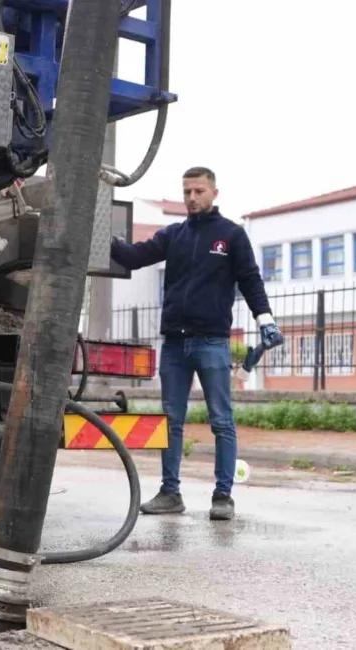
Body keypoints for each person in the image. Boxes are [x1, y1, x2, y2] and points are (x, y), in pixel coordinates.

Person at [110, 167, 283, 521]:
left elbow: (250, 280)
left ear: (214, 193)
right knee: (171, 420)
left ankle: (223, 497)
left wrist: (265, 320)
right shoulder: (174, 235)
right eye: (187, 191)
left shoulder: (231, 235)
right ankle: (170, 493)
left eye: (199, 191)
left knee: (221, 421)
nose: (191, 198)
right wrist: (99, 233)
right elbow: (133, 256)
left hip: (212, 342)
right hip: (175, 344)